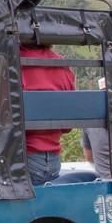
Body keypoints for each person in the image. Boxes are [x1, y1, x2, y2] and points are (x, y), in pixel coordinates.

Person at [20, 43, 75, 184]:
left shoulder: (12, 60)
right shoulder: (62, 65)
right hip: (54, 160)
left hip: (21, 157)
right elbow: (67, 126)